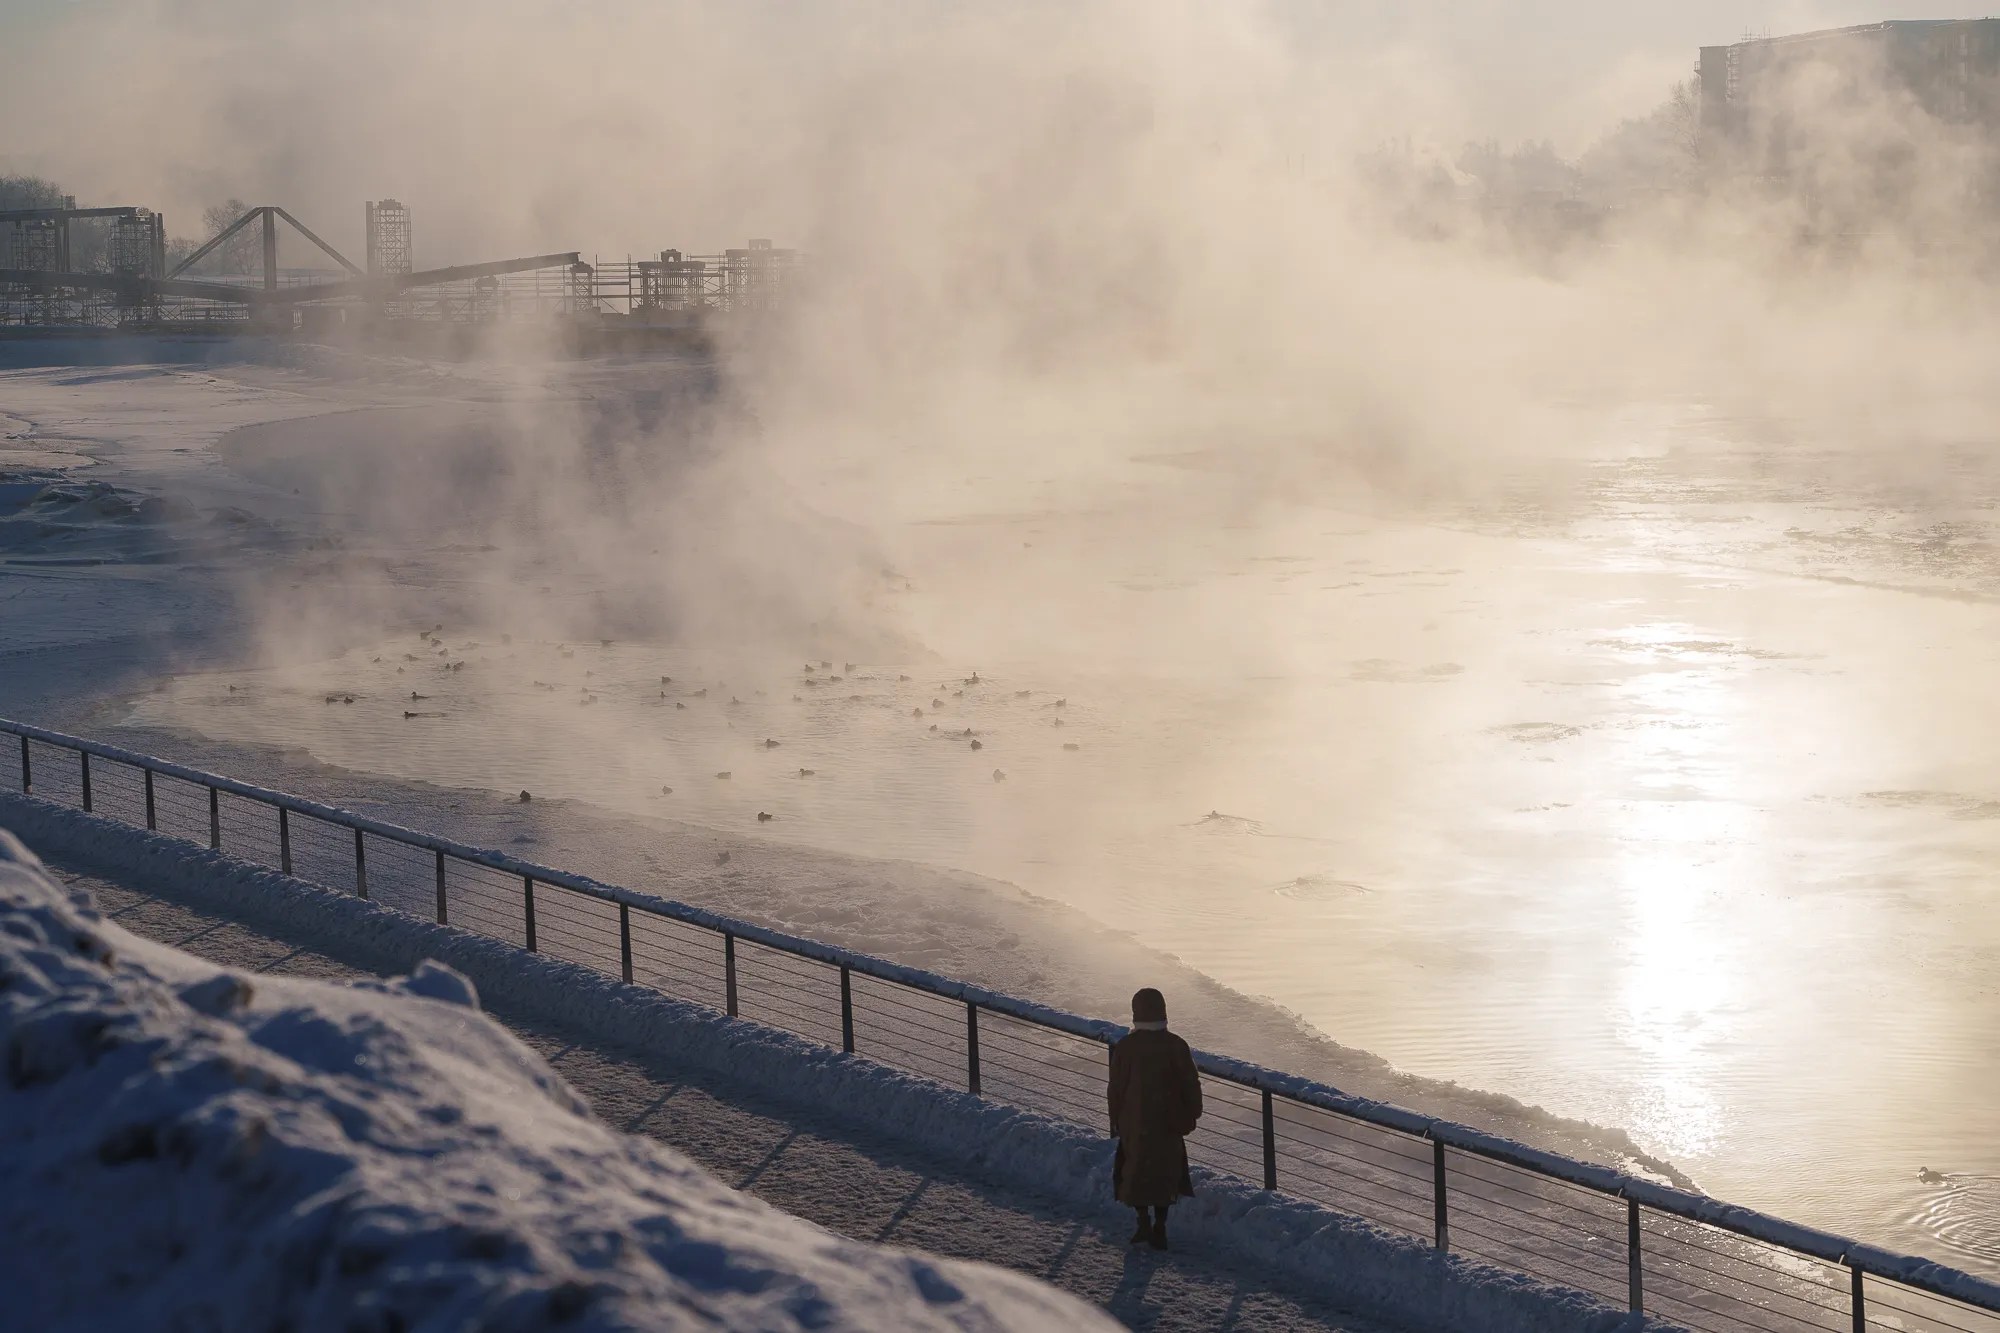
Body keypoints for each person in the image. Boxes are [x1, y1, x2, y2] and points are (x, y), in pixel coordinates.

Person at [1107, 987, 1202, 1250]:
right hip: (1168, 1124)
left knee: (1135, 1172)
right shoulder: (1176, 1045)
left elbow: (1116, 1087)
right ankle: (1160, 1226)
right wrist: (1193, 1112)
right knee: (1164, 1175)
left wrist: (1115, 1118)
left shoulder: (1126, 1047)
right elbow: (1190, 1083)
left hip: (1134, 1123)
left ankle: (1142, 1222)